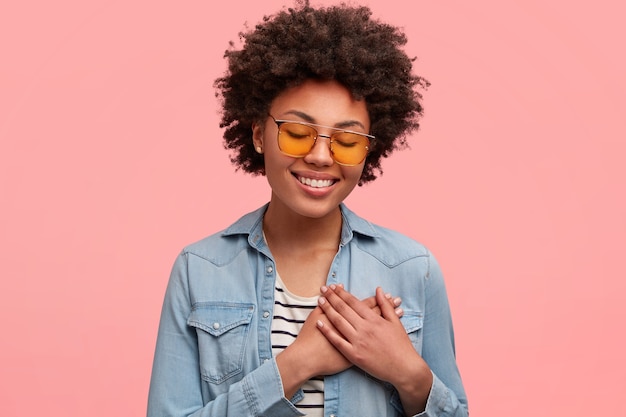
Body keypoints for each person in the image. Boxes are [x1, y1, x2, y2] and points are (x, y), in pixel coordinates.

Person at [147, 1, 468, 416]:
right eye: (298, 133)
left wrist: (408, 373)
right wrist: (297, 364)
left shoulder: (412, 268)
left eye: (347, 142)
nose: (320, 157)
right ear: (259, 134)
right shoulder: (200, 270)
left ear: (369, 151)